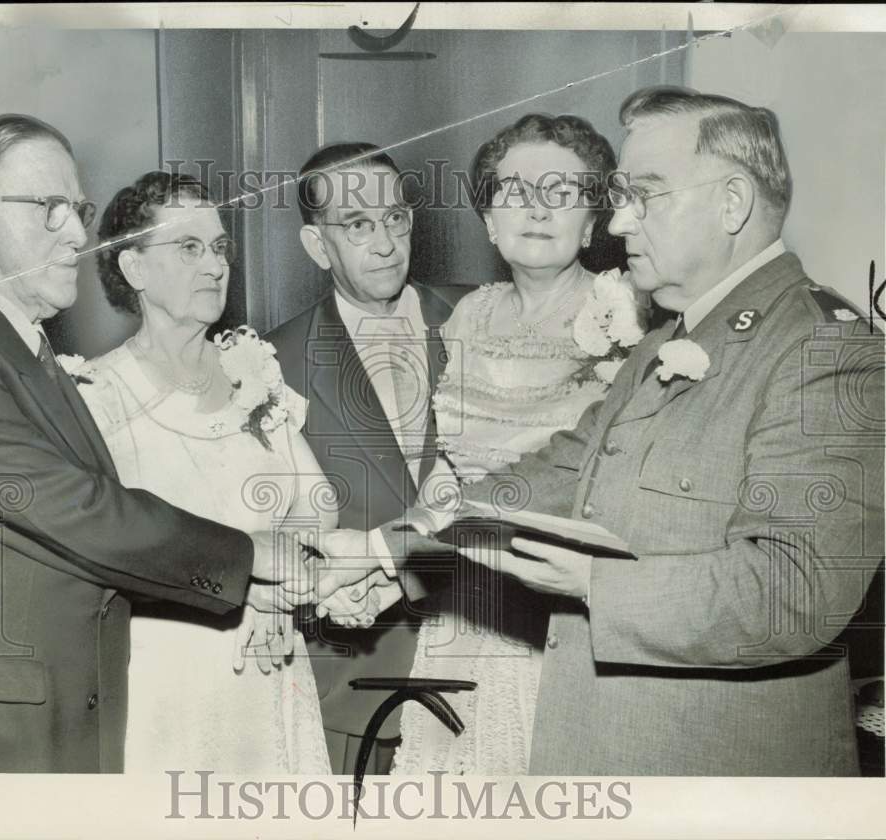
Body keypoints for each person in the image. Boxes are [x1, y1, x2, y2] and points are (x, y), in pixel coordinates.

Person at [312, 87, 884, 775]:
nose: (619, 224)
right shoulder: (667, 340)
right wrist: (387, 546)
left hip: (715, 772)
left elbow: (794, 593)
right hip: (606, 745)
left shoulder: (827, 350)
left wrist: (590, 582)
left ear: (731, 204)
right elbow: (560, 468)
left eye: (645, 195)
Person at [0, 115, 306, 773]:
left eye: (79, 209)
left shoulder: (26, 348)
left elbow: (63, 547)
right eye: (48, 208)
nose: (79, 234)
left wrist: (238, 589)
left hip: (58, 718)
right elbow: (80, 511)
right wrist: (251, 556)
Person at [392, 113, 637, 775]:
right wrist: (397, 548)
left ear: (591, 222)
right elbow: (447, 465)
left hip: (563, 606)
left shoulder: (628, 318)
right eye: (515, 191)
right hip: (468, 600)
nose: (536, 209)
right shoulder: (470, 315)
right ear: (489, 220)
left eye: (561, 192)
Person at [77, 170, 331, 773]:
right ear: (133, 268)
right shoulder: (98, 395)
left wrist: (273, 594)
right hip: (169, 679)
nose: (215, 265)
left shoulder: (253, 372)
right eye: (188, 248)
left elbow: (317, 505)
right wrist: (244, 580)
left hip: (271, 663)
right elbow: (107, 546)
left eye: (219, 248)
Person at [265, 142, 471, 774]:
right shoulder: (274, 364)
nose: (384, 242)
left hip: (488, 651)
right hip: (360, 687)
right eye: (356, 225)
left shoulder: (479, 317)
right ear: (316, 245)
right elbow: (273, 529)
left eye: (396, 218)